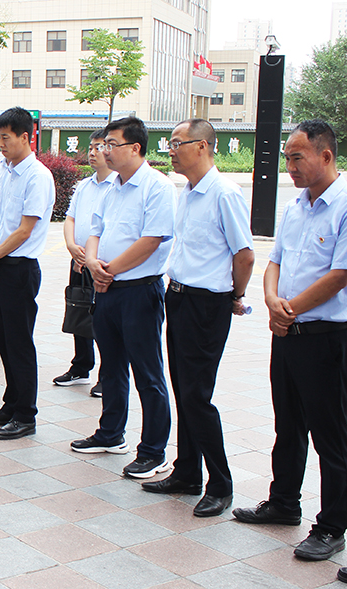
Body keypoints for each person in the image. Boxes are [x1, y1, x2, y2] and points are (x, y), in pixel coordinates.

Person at [233, 120, 347, 566]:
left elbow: (340, 275)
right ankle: (283, 502)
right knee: (288, 425)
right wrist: (271, 300)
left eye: (297, 157)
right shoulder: (295, 207)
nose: (290, 167)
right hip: (288, 334)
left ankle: (332, 526)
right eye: (287, 159)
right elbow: (274, 262)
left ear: (326, 156)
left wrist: (290, 309)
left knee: (332, 436)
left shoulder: (343, 205)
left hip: (327, 338)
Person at [140, 119, 254, 518]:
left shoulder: (224, 193)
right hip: (178, 298)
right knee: (182, 389)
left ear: (202, 146)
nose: (170, 150)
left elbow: (244, 255)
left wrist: (235, 296)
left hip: (208, 305)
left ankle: (220, 484)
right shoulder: (186, 193)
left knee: (197, 395)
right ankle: (187, 472)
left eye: (177, 143)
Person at [69, 116, 175, 480]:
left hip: (139, 291)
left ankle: (154, 451)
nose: (105, 151)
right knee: (111, 366)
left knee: (147, 372)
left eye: (112, 144)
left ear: (135, 148)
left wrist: (108, 270)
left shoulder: (157, 187)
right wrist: (93, 263)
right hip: (106, 290)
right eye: (104, 145)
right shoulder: (111, 187)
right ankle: (110, 433)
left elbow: (152, 240)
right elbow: (94, 230)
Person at [0, 107, 55, 440]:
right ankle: (11, 403)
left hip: (20, 269)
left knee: (20, 344)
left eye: (6, 137)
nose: (1, 143)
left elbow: (24, 230)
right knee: (5, 341)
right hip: (1, 264)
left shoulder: (37, 176)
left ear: (25, 137)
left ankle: (26, 415)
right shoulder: (6, 171)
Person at [54, 129, 117, 396]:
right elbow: (70, 218)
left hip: (102, 264)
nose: (92, 153)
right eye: (90, 148)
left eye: (99, 147)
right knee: (78, 310)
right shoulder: (84, 185)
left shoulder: (117, 185)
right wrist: (71, 246)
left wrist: (91, 257)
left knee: (103, 319)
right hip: (79, 260)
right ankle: (81, 367)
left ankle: (107, 375)